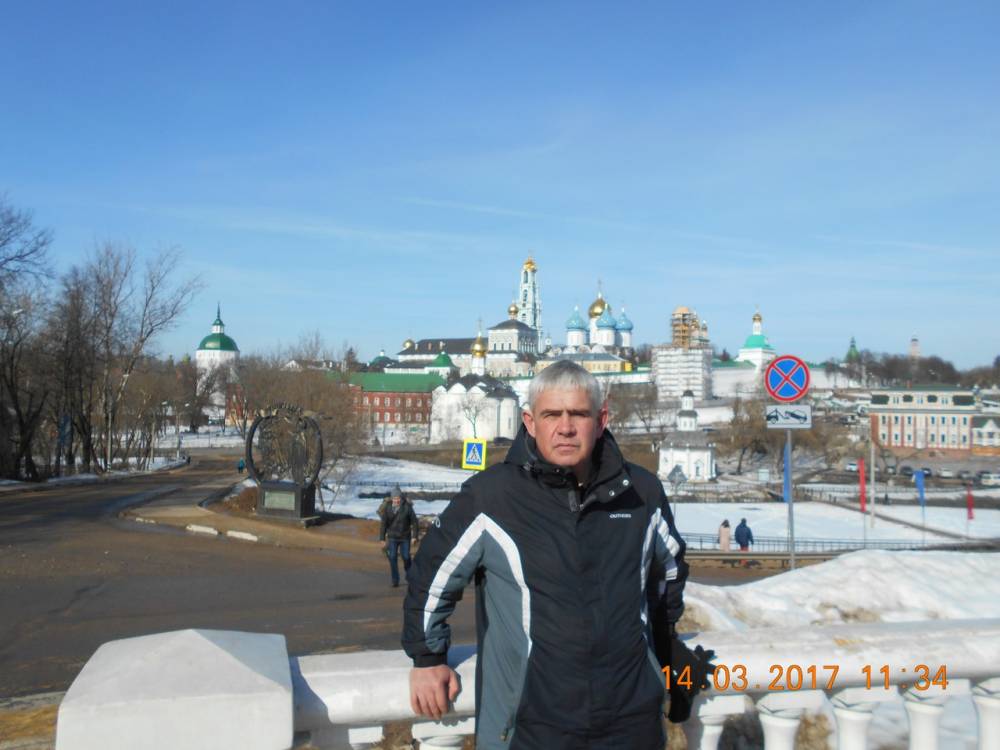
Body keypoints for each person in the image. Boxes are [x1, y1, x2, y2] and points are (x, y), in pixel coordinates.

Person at [402, 360, 699, 749]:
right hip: (531, 726)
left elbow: (670, 574)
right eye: (551, 414)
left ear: (601, 419)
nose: (566, 427)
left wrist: (665, 646)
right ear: (530, 422)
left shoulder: (641, 493)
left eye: (579, 414)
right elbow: (432, 574)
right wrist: (428, 659)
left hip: (631, 722)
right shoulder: (493, 496)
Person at [379, 485, 419, 588]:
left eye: (398, 498)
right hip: (392, 537)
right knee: (392, 557)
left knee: (406, 557)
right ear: (392, 498)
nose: (396, 500)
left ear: (401, 498)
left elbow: (414, 522)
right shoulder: (387, 508)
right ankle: (395, 580)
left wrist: (414, 536)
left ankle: (410, 576)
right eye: (394, 498)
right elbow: (383, 524)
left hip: (405, 536)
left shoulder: (407, 507)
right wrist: (382, 538)